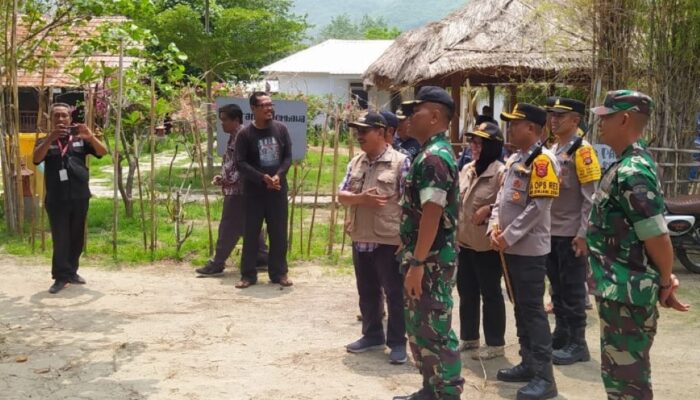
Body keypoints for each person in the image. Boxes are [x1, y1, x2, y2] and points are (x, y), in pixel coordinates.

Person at [588, 90, 689, 399]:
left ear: (625, 118)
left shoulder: (633, 172)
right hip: (619, 291)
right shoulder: (627, 164)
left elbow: (657, 236)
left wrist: (665, 280)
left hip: (628, 295)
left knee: (628, 383)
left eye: (606, 116)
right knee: (621, 379)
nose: (600, 121)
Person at [394, 86, 464, 400]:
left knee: (434, 328)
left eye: (416, 111)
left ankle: (447, 392)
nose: (409, 117)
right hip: (423, 257)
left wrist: (418, 264)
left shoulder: (435, 158)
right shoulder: (427, 153)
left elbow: (431, 215)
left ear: (435, 116)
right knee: (420, 326)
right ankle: (430, 387)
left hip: (431, 260)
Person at [489, 103, 559, 400]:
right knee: (519, 307)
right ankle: (528, 363)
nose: (510, 128)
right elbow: (501, 200)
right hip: (509, 247)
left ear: (531, 127)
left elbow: (539, 207)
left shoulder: (544, 161)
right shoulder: (516, 158)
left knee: (533, 312)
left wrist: (509, 235)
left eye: (515, 124)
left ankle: (545, 377)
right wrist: (494, 226)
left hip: (529, 250)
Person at [339, 111, 410, 365]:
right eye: (357, 131)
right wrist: (361, 199)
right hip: (361, 236)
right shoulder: (356, 162)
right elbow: (342, 196)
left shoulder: (401, 163)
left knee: (394, 293)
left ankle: (398, 343)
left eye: (364, 131)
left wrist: (407, 238)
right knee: (366, 290)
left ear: (381, 133)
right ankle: (372, 335)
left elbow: (410, 204)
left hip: (389, 239)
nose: (359, 136)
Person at [544, 97, 600, 365]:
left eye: (560, 115)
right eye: (552, 114)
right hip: (551, 231)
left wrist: (583, 233)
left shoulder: (583, 151)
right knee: (556, 288)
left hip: (571, 233)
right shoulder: (554, 149)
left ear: (576, 120)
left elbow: (591, 197)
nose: (554, 119)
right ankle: (562, 333)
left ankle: (578, 343)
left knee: (573, 289)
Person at [32, 103, 108, 294]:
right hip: (56, 198)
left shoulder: (80, 139)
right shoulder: (44, 140)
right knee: (61, 238)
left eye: (64, 116)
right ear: (51, 119)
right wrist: (50, 138)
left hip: (80, 196)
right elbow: (35, 159)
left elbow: (102, 152)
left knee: (76, 237)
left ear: (70, 119)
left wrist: (91, 137)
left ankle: (72, 271)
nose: (60, 119)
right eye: (56, 116)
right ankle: (60, 276)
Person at [196, 104, 268, 276]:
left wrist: (227, 180)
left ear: (236, 120)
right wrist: (223, 177)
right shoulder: (236, 135)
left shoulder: (241, 136)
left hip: (238, 190)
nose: (222, 124)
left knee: (229, 225)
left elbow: (242, 165)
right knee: (247, 224)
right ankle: (261, 256)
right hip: (241, 188)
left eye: (225, 120)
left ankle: (217, 262)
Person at [456, 122, 507, 360]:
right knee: (466, 291)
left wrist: (489, 207)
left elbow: (509, 204)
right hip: (465, 241)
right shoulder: (467, 168)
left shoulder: (501, 171)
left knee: (491, 293)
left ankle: (495, 343)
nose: (474, 147)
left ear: (491, 146)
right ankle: (469, 338)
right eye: (473, 142)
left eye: (480, 143)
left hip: (487, 245)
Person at [234, 92, 293, 288]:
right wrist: (262, 178)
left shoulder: (281, 129)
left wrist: (278, 176)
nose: (269, 109)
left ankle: (279, 273)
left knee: (278, 233)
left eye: (271, 105)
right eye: (264, 105)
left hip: (277, 191)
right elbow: (240, 163)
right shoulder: (245, 134)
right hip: (254, 193)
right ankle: (248, 275)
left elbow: (287, 158)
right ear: (253, 109)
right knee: (251, 233)